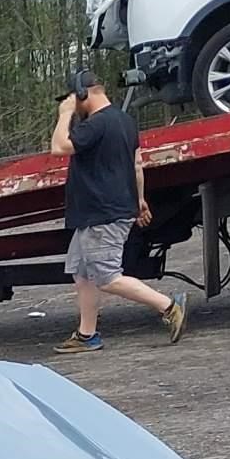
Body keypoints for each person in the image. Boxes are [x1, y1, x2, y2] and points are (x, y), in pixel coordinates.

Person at [50, 71, 186, 353]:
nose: (73, 106)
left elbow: (59, 147)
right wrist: (140, 201)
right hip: (101, 212)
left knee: (107, 277)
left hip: (102, 213)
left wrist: (65, 114)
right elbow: (137, 165)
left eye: (74, 99)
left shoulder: (96, 124)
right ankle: (87, 335)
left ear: (83, 94)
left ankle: (169, 306)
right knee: (82, 272)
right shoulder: (125, 121)